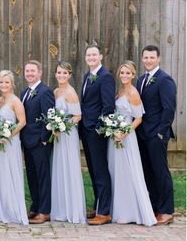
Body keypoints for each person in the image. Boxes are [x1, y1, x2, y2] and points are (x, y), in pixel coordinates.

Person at [108, 61, 156, 226]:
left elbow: (139, 118)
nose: (124, 75)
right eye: (122, 72)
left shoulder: (133, 93)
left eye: (128, 73)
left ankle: (130, 213)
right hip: (116, 136)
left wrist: (124, 132)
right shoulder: (120, 90)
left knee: (128, 172)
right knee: (118, 172)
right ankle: (118, 209)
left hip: (127, 138)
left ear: (133, 75)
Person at [136, 45, 177, 225]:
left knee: (160, 172)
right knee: (148, 172)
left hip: (156, 134)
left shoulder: (164, 80)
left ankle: (167, 210)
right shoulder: (141, 80)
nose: (148, 60)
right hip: (142, 134)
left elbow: (169, 108)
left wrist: (160, 132)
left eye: (152, 57)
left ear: (158, 58)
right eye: (145, 57)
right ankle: (153, 207)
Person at [79, 44, 116, 225]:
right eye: (88, 55)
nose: (91, 57)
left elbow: (108, 106)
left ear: (101, 56)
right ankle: (98, 204)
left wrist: (98, 128)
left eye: (94, 55)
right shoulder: (87, 76)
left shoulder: (106, 77)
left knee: (101, 170)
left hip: (96, 131)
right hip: (85, 130)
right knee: (93, 170)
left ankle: (105, 212)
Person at [0, 70, 28, 225]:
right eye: (1, 82)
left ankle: (12, 210)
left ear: (12, 84)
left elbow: (22, 122)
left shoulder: (15, 101)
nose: (4, 85)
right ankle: (0, 209)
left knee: (10, 174)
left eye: (7, 82)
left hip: (10, 143)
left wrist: (7, 135)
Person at [20, 60, 56, 224]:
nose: (29, 74)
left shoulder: (45, 92)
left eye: (33, 71)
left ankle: (44, 211)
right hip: (27, 141)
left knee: (43, 177)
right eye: (27, 71)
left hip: (39, 142)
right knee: (32, 176)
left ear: (40, 73)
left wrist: (43, 139)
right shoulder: (24, 92)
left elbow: (49, 117)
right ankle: (35, 207)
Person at [50, 62, 86, 224]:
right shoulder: (56, 91)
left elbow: (77, 116)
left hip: (68, 135)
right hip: (58, 136)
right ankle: (60, 209)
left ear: (69, 75)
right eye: (59, 72)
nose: (61, 75)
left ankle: (73, 210)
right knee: (59, 169)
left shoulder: (71, 93)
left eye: (65, 73)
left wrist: (62, 126)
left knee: (69, 169)